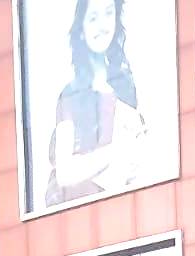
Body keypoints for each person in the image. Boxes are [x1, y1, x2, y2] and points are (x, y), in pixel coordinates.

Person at [46, 0, 152, 206]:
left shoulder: (125, 87)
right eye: (93, 18)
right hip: (79, 210)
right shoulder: (70, 95)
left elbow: (134, 163)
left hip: (121, 209)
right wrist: (115, 151)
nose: (102, 25)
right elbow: (65, 173)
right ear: (81, 29)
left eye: (108, 13)